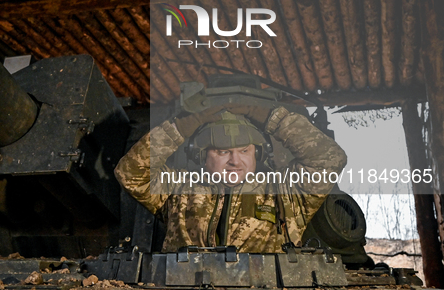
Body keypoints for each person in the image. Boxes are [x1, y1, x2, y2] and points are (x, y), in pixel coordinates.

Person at [114, 104, 347, 253]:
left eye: (245, 151)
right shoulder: (177, 189)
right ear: (202, 156)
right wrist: (179, 129)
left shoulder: (286, 191)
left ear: (258, 154)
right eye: (223, 151)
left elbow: (329, 160)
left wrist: (272, 118)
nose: (235, 161)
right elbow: (130, 173)